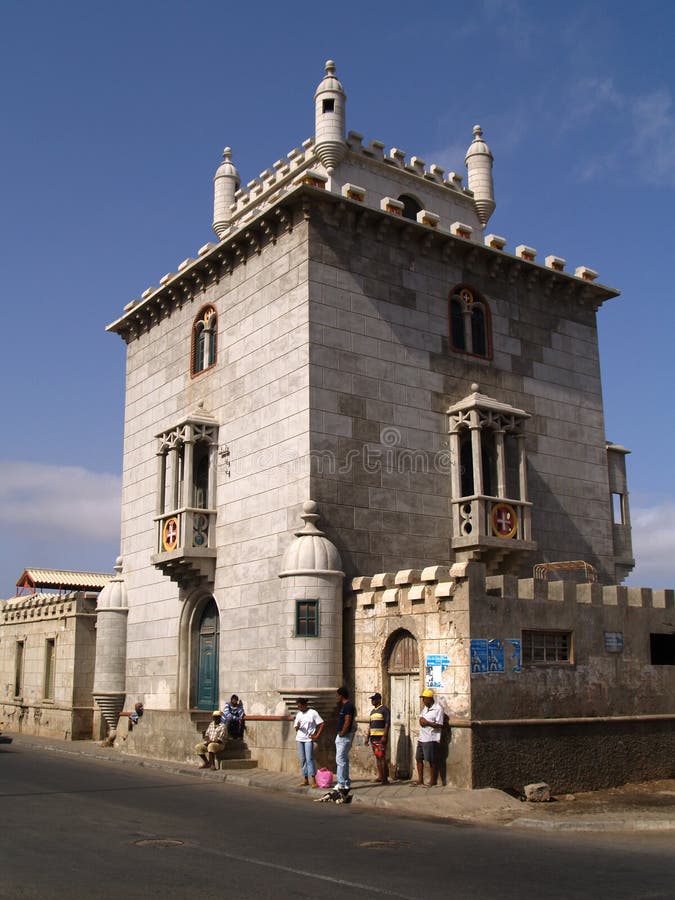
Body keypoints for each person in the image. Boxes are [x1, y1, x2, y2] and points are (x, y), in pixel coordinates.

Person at [415, 688, 444, 786]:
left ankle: (433, 780)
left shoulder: (438, 709)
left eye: (424, 698)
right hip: (422, 738)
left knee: (432, 760)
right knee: (419, 758)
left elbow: (440, 725)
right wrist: (421, 721)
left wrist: (427, 723)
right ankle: (420, 780)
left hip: (431, 738)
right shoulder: (425, 708)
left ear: (429, 698)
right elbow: (421, 718)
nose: (423, 701)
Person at [293, 698, 325, 787]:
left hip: (308, 739)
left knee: (309, 759)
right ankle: (305, 779)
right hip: (299, 739)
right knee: (302, 759)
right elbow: (296, 728)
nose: (299, 708)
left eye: (300, 706)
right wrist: (298, 726)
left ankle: (314, 780)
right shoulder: (299, 714)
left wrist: (317, 735)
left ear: (304, 705)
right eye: (298, 707)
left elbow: (321, 723)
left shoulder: (312, 712)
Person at [365, 692, 390, 784]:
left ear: (379, 700)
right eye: (372, 699)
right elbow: (370, 725)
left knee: (382, 757)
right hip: (373, 737)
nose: (373, 701)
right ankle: (380, 776)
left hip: (380, 737)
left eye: (374, 699)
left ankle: (385, 778)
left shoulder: (384, 710)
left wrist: (384, 735)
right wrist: (367, 737)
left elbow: (387, 723)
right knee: (377, 757)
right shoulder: (373, 712)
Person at [335, 686, 356, 793]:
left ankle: (341, 783)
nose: (336, 697)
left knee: (340, 760)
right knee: (344, 760)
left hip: (344, 736)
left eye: (337, 695)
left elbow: (347, 721)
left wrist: (342, 733)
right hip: (343, 736)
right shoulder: (344, 706)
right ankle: (346, 782)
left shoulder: (348, 706)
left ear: (341, 695)